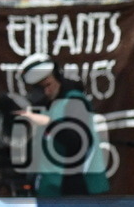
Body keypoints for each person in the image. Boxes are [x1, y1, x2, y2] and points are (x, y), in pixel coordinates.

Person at [12, 53, 109, 197]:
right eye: (40, 88)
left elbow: (76, 141)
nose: (46, 91)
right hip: (51, 188)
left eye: (48, 84)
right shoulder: (47, 106)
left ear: (57, 77)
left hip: (78, 188)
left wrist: (47, 123)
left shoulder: (74, 101)